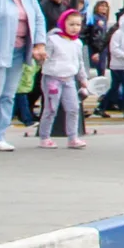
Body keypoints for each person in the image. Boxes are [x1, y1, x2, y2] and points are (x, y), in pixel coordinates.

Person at [37, 12, 92, 149]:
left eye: (78, 25)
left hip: (69, 79)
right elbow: (44, 58)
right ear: (63, 24)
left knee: (73, 108)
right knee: (51, 109)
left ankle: (73, 137)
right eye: (71, 24)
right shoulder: (53, 40)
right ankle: (45, 137)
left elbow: (80, 62)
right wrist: (42, 59)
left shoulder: (77, 43)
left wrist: (83, 78)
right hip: (52, 79)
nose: (75, 28)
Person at [98, 10, 124, 117]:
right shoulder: (118, 34)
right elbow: (114, 49)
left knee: (115, 88)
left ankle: (101, 107)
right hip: (117, 65)